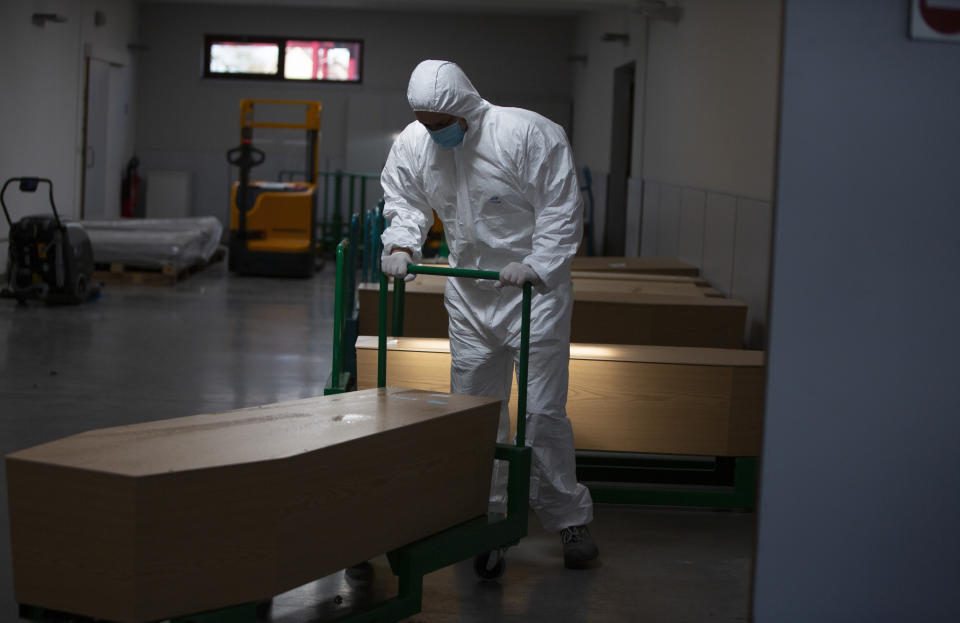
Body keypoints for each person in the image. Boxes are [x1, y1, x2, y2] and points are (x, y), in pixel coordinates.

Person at [379, 60, 598, 569]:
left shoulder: (527, 134)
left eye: (441, 121)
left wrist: (538, 264)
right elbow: (405, 199)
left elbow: (561, 209)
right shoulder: (415, 143)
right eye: (426, 121)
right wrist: (402, 245)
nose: (435, 131)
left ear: (464, 107)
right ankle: (488, 519)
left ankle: (569, 518)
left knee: (542, 414)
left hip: (534, 295)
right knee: (476, 414)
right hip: (470, 293)